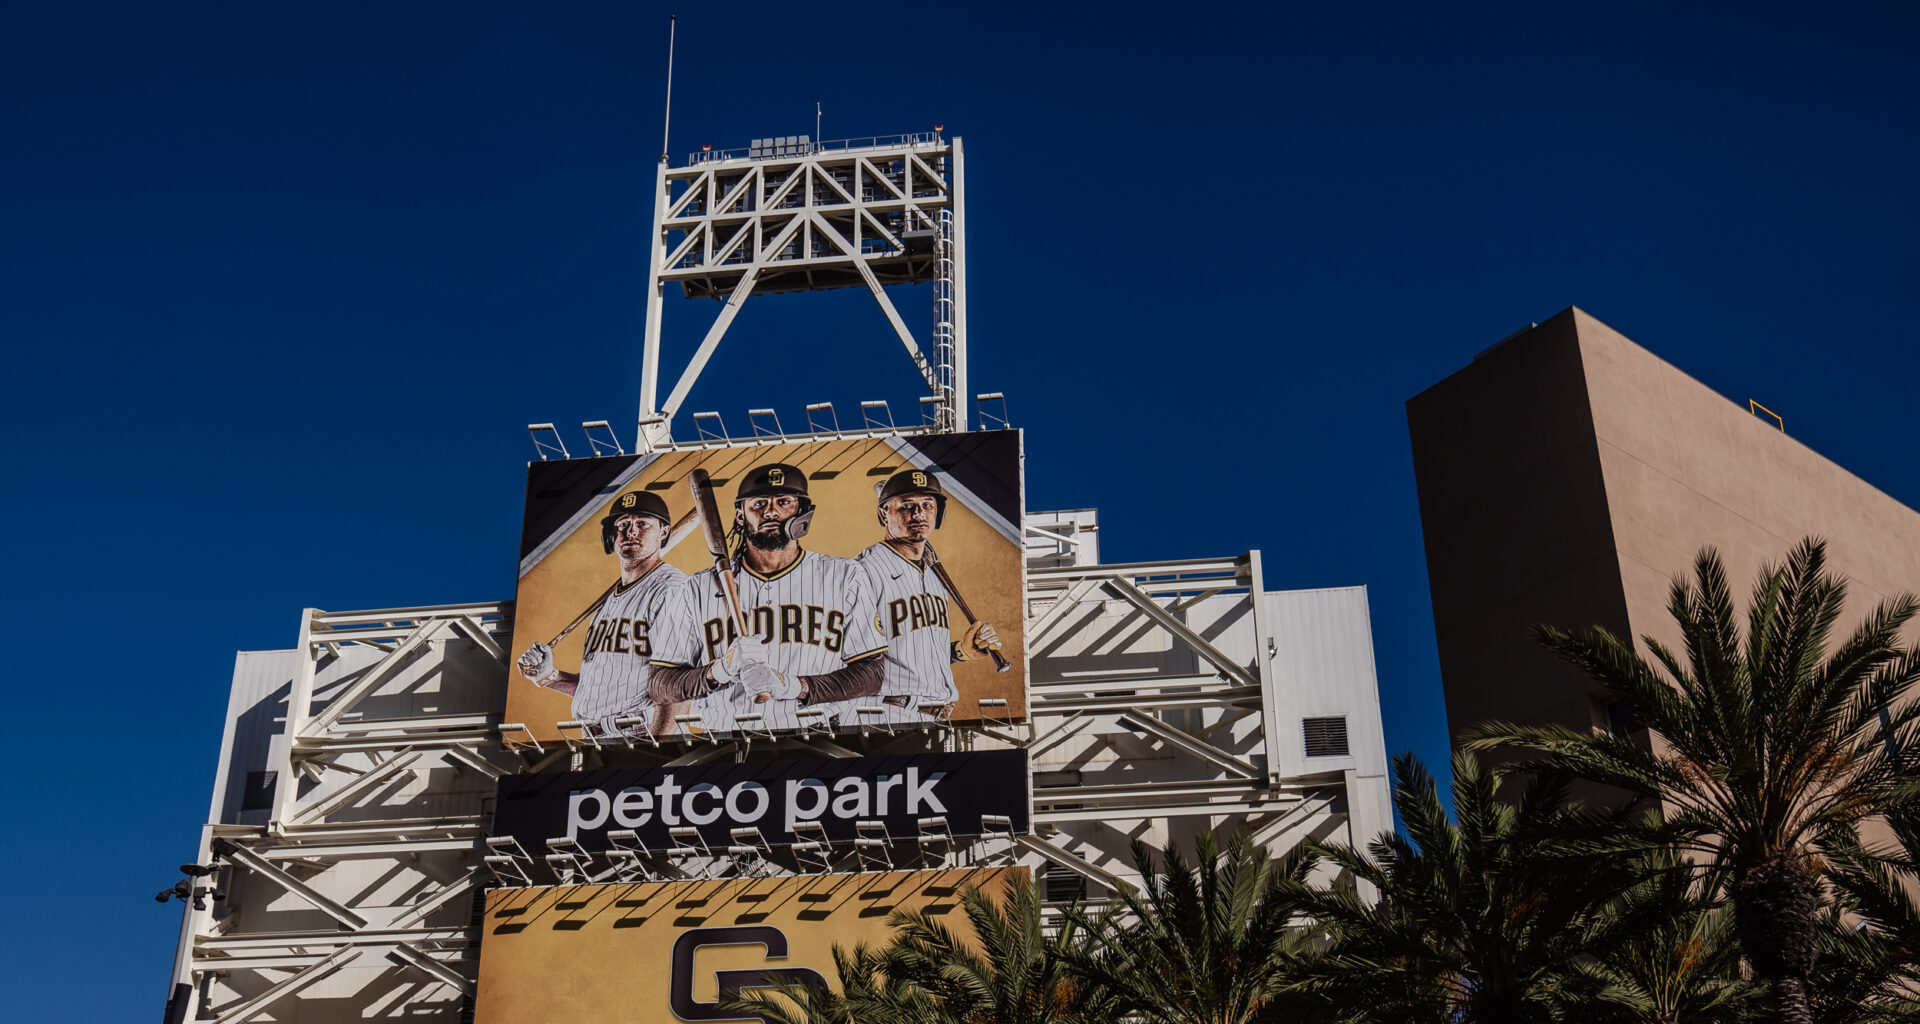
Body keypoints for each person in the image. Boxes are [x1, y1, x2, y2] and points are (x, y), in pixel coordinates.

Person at [652, 462, 888, 733]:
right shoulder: (696, 588)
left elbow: (872, 674)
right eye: (759, 503)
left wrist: (793, 686)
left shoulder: (844, 576)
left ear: (803, 511)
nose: (771, 511)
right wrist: (719, 670)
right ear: (740, 515)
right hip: (726, 739)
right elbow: (660, 685)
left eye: (784, 502)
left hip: (816, 735)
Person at [515, 490, 699, 739]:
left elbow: (677, 682)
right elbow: (602, 690)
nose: (630, 531)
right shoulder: (608, 602)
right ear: (611, 535)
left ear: (664, 532)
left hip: (644, 734)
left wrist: (658, 745)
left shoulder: (671, 589)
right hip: (596, 738)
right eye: (622, 524)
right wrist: (549, 676)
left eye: (642, 523)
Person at [855, 468, 1002, 723]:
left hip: (938, 715)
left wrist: (960, 652)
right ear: (884, 514)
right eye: (906, 506)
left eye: (927, 504)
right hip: (886, 715)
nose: (919, 514)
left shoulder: (935, 573)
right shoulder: (864, 571)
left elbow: (911, 652)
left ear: (938, 513)